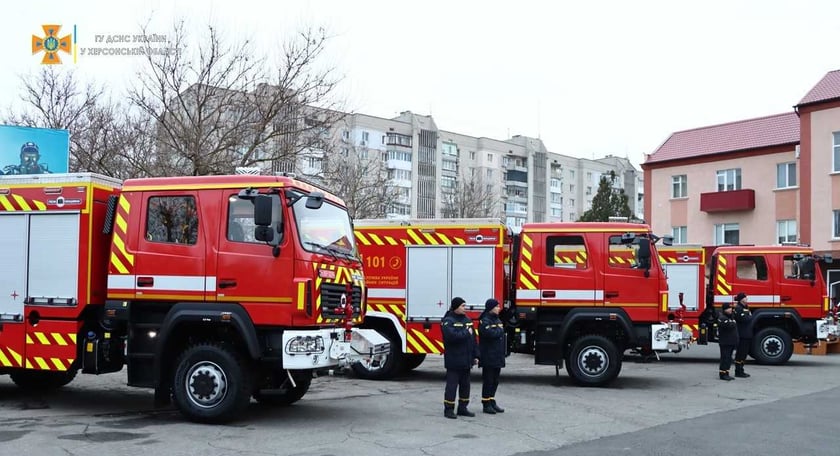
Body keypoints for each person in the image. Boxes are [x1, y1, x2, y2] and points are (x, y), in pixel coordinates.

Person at [441, 296, 479, 419]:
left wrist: (476, 355)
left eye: (465, 306)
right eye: (462, 306)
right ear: (455, 307)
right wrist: (466, 332)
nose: (465, 308)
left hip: (466, 360)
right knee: (452, 386)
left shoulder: (467, 320)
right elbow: (452, 337)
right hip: (454, 360)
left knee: (465, 386)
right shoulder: (448, 321)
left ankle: (463, 408)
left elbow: (473, 340)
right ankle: (449, 409)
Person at [478, 298, 506, 414]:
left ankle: (491, 400)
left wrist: (498, 331)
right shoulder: (485, 320)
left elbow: (499, 332)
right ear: (490, 308)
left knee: (495, 380)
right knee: (488, 380)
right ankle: (486, 403)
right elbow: (490, 334)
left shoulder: (497, 319)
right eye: (496, 306)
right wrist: (499, 331)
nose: (499, 308)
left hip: (497, 355)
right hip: (488, 355)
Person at [717, 301, 739, 380]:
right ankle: (722, 374)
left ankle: (727, 372)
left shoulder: (730, 317)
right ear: (724, 310)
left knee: (729, 359)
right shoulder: (722, 318)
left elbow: (733, 323)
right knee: (725, 358)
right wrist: (732, 322)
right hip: (725, 342)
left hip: (731, 342)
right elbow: (729, 325)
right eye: (728, 308)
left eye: (730, 308)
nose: (730, 309)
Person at [733, 292, 752, 378]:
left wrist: (749, 317)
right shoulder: (738, 308)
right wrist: (749, 317)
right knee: (740, 353)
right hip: (741, 335)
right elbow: (744, 319)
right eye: (745, 297)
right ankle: (738, 371)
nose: (746, 298)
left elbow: (748, 317)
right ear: (741, 299)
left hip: (747, 334)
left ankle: (741, 370)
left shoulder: (745, 307)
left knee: (744, 354)